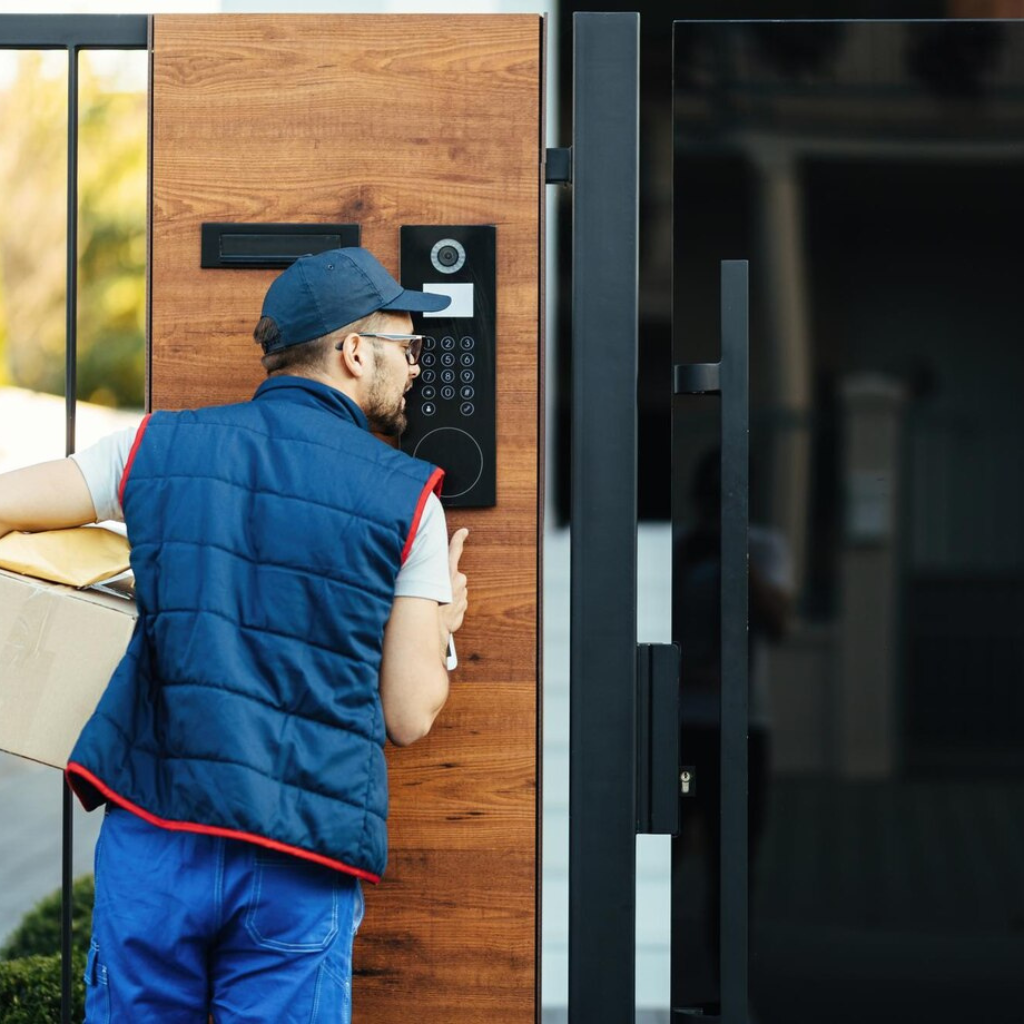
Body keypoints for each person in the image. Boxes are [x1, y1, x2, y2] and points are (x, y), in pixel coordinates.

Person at [0, 246, 469, 1023]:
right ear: (355, 352)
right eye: (408, 347)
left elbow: (14, 501)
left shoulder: (152, 447)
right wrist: (442, 624)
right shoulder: (410, 501)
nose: (417, 368)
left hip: (157, 831)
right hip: (300, 854)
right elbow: (409, 713)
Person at [671, 445, 793, 1010]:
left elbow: (779, 623)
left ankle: (729, 987)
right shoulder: (679, 551)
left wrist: (737, 556)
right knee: (665, 848)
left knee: (733, 861)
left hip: (743, 731)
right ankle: (649, 970)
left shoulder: (764, 547)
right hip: (686, 731)